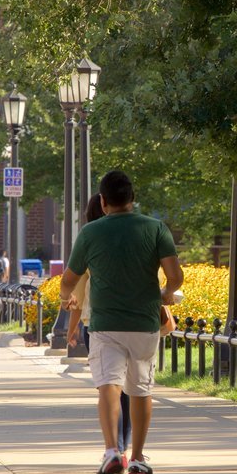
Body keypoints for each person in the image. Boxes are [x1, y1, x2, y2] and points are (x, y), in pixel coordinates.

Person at [60, 170, 183, 474]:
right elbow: (175, 276)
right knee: (141, 389)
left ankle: (113, 451)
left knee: (108, 386)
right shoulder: (155, 228)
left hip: (105, 323)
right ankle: (139, 457)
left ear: (103, 202)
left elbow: (69, 279)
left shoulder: (90, 233)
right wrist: (167, 294)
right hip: (144, 322)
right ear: (132, 198)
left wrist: (66, 298)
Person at [66, 194, 132, 459]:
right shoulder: (130, 236)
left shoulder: (89, 241)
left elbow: (76, 295)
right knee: (130, 389)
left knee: (108, 386)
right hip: (135, 321)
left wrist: (70, 330)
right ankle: (126, 446)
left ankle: (114, 446)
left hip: (97, 323)